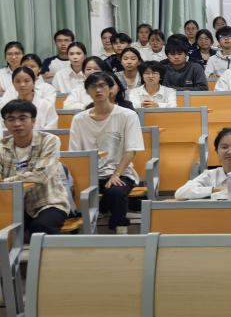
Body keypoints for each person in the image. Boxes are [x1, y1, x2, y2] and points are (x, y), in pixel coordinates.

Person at [69, 71, 145, 232]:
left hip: (120, 171)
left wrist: (116, 174)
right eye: (93, 87)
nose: (98, 90)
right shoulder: (79, 119)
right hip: (90, 174)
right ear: (87, 91)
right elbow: (75, 155)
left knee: (115, 192)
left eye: (102, 85)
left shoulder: (127, 115)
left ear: (111, 89)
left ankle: (120, 229)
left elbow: (131, 150)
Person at [0, 99, 72, 237]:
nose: (17, 123)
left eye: (22, 118)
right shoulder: (2, 146)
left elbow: (41, 176)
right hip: (14, 205)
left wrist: (8, 181)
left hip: (48, 202)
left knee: (41, 226)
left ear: (33, 120)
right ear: (5, 123)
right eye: (11, 119)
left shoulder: (49, 140)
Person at [0, 67, 56, 131]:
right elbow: (3, 128)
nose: (22, 85)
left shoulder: (46, 105)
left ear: (34, 82)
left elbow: (51, 129)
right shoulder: (6, 107)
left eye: (26, 81)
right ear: (13, 83)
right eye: (18, 81)